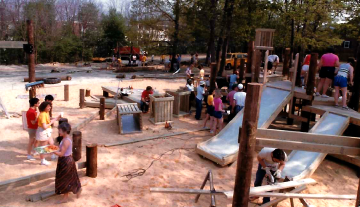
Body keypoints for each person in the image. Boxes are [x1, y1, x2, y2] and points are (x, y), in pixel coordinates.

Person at [53, 122, 82, 203]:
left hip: (66, 161)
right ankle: (78, 189)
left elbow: (61, 154)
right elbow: (61, 149)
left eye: (60, 130)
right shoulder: (65, 138)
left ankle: (65, 199)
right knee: (71, 177)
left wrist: (53, 151)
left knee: (65, 179)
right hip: (66, 160)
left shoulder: (66, 141)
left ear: (65, 131)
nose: (59, 131)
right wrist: (54, 148)